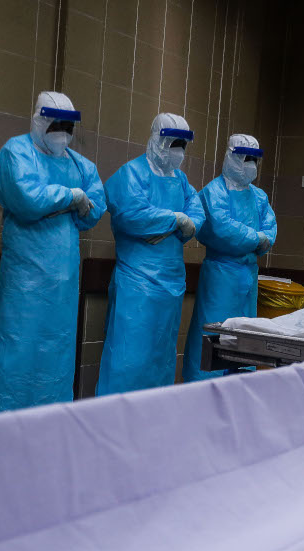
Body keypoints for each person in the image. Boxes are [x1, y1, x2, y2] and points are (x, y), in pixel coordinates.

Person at [0, 91, 107, 412]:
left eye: (68, 126)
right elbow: (27, 199)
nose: (62, 132)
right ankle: (2, 443)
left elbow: (94, 210)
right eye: (55, 124)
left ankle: (49, 443)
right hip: (25, 285)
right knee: (16, 356)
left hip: (63, 286)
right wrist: (70, 197)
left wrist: (65, 201)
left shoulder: (80, 165)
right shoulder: (16, 152)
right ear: (40, 120)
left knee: (56, 361)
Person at [95, 113, 205, 395]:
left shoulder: (180, 181)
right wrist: (175, 219)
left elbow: (197, 210)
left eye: (182, 144)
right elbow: (131, 214)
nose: (178, 150)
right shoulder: (130, 174)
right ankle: (114, 429)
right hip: (137, 285)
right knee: (128, 359)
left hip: (171, 285)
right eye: (173, 143)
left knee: (161, 359)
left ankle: (153, 431)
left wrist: (184, 221)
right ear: (157, 140)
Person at [181, 134, 277, 382]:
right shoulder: (213, 192)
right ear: (232, 158)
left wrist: (260, 239)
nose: (251, 165)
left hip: (248, 275)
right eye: (246, 159)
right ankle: (201, 393)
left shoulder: (259, 196)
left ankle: (238, 398)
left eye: (255, 160)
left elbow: (270, 227)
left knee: (245, 339)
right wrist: (257, 239)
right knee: (214, 334)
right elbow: (222, 228)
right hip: (220, 275)